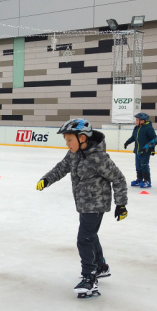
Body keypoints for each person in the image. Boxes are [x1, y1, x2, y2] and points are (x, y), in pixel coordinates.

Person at [36, 119, 128, 299]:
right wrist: (47, 179)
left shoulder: (99, 158)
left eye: (69, 140)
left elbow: (118, 179)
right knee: (90, 235)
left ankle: (90, 278)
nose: (67, 144)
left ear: (82, 138)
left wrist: (121, 204)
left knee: (84, 239)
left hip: (96, 204)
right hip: (84, 204)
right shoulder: (74, 154)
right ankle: (100, 266)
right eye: (66, 140)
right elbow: (61, 168)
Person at [124, 112, 157, 188]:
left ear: (143, 121)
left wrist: (151, 149)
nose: (136, 121)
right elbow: (133, 137)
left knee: (144, 166)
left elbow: (154, 139)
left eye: (137, 120)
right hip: (137, 151)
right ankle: (139, 179)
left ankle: (147, 181)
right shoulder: (137, 128)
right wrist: (127, 142)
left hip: (145, 151)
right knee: (138, 166)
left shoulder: (149, 128)